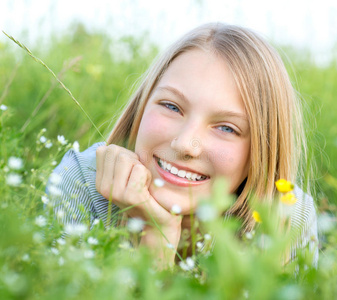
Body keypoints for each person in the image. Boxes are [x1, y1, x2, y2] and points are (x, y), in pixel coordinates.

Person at [46, 23, 318, 267]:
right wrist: (156, 236)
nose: (185, 144)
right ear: (142, 105)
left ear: (262, 152)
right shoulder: (82, 182)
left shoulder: (285, 219)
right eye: (171, 106)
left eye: (226, 127)